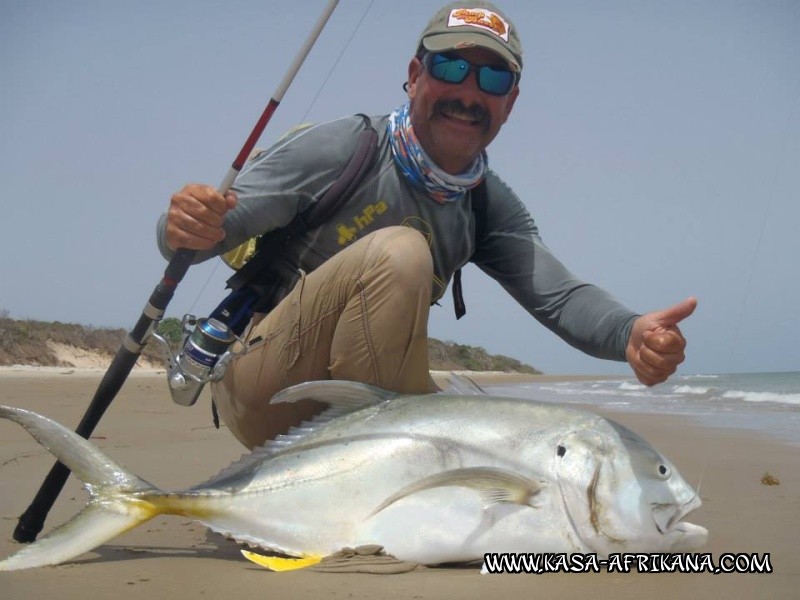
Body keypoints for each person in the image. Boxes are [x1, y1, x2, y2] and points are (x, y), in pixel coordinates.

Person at [158, 1, 696, 449]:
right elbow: (197, 237)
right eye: (451, 68)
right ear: (415, 77)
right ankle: (362, 488)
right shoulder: (346, 147)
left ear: (509, 103)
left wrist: (631, 333)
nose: (469, 92)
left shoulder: (486, 204)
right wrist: (184, 224)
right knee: (401, 252)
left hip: (362, 400)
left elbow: (560, 297)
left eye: (492, 77)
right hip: (262, 386)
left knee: (495, 433)